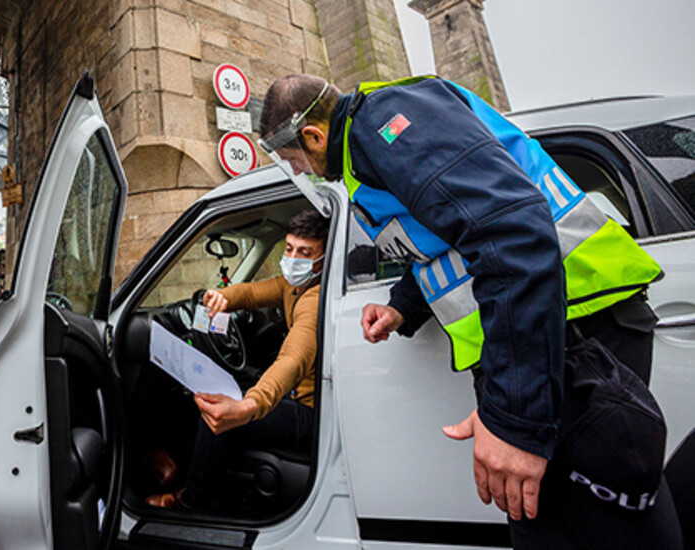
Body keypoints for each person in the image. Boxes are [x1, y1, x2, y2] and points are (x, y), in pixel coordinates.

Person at [257, 74, 682, 548]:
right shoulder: (374, 141)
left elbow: (511, 231)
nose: (306, 173)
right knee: (548, 524)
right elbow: (453, 236)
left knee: (604, 529)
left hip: (578, 330)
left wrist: (515, 423)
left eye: (297, 161)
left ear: (314, 137)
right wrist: (403, 306)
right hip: (553, 330)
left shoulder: (384, 125)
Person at [147, 208, 328, 509]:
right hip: (296, 398)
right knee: (212, 393)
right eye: (290, 249)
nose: (293, 259)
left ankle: (192, 502)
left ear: (321, 262)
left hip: (308, 414)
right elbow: (253, 293)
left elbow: (292, 360)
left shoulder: (314, 300)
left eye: (305, 253)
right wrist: (224, 298)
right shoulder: (293, 285)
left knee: (219, 414)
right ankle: (176, 462)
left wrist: (248, 406)